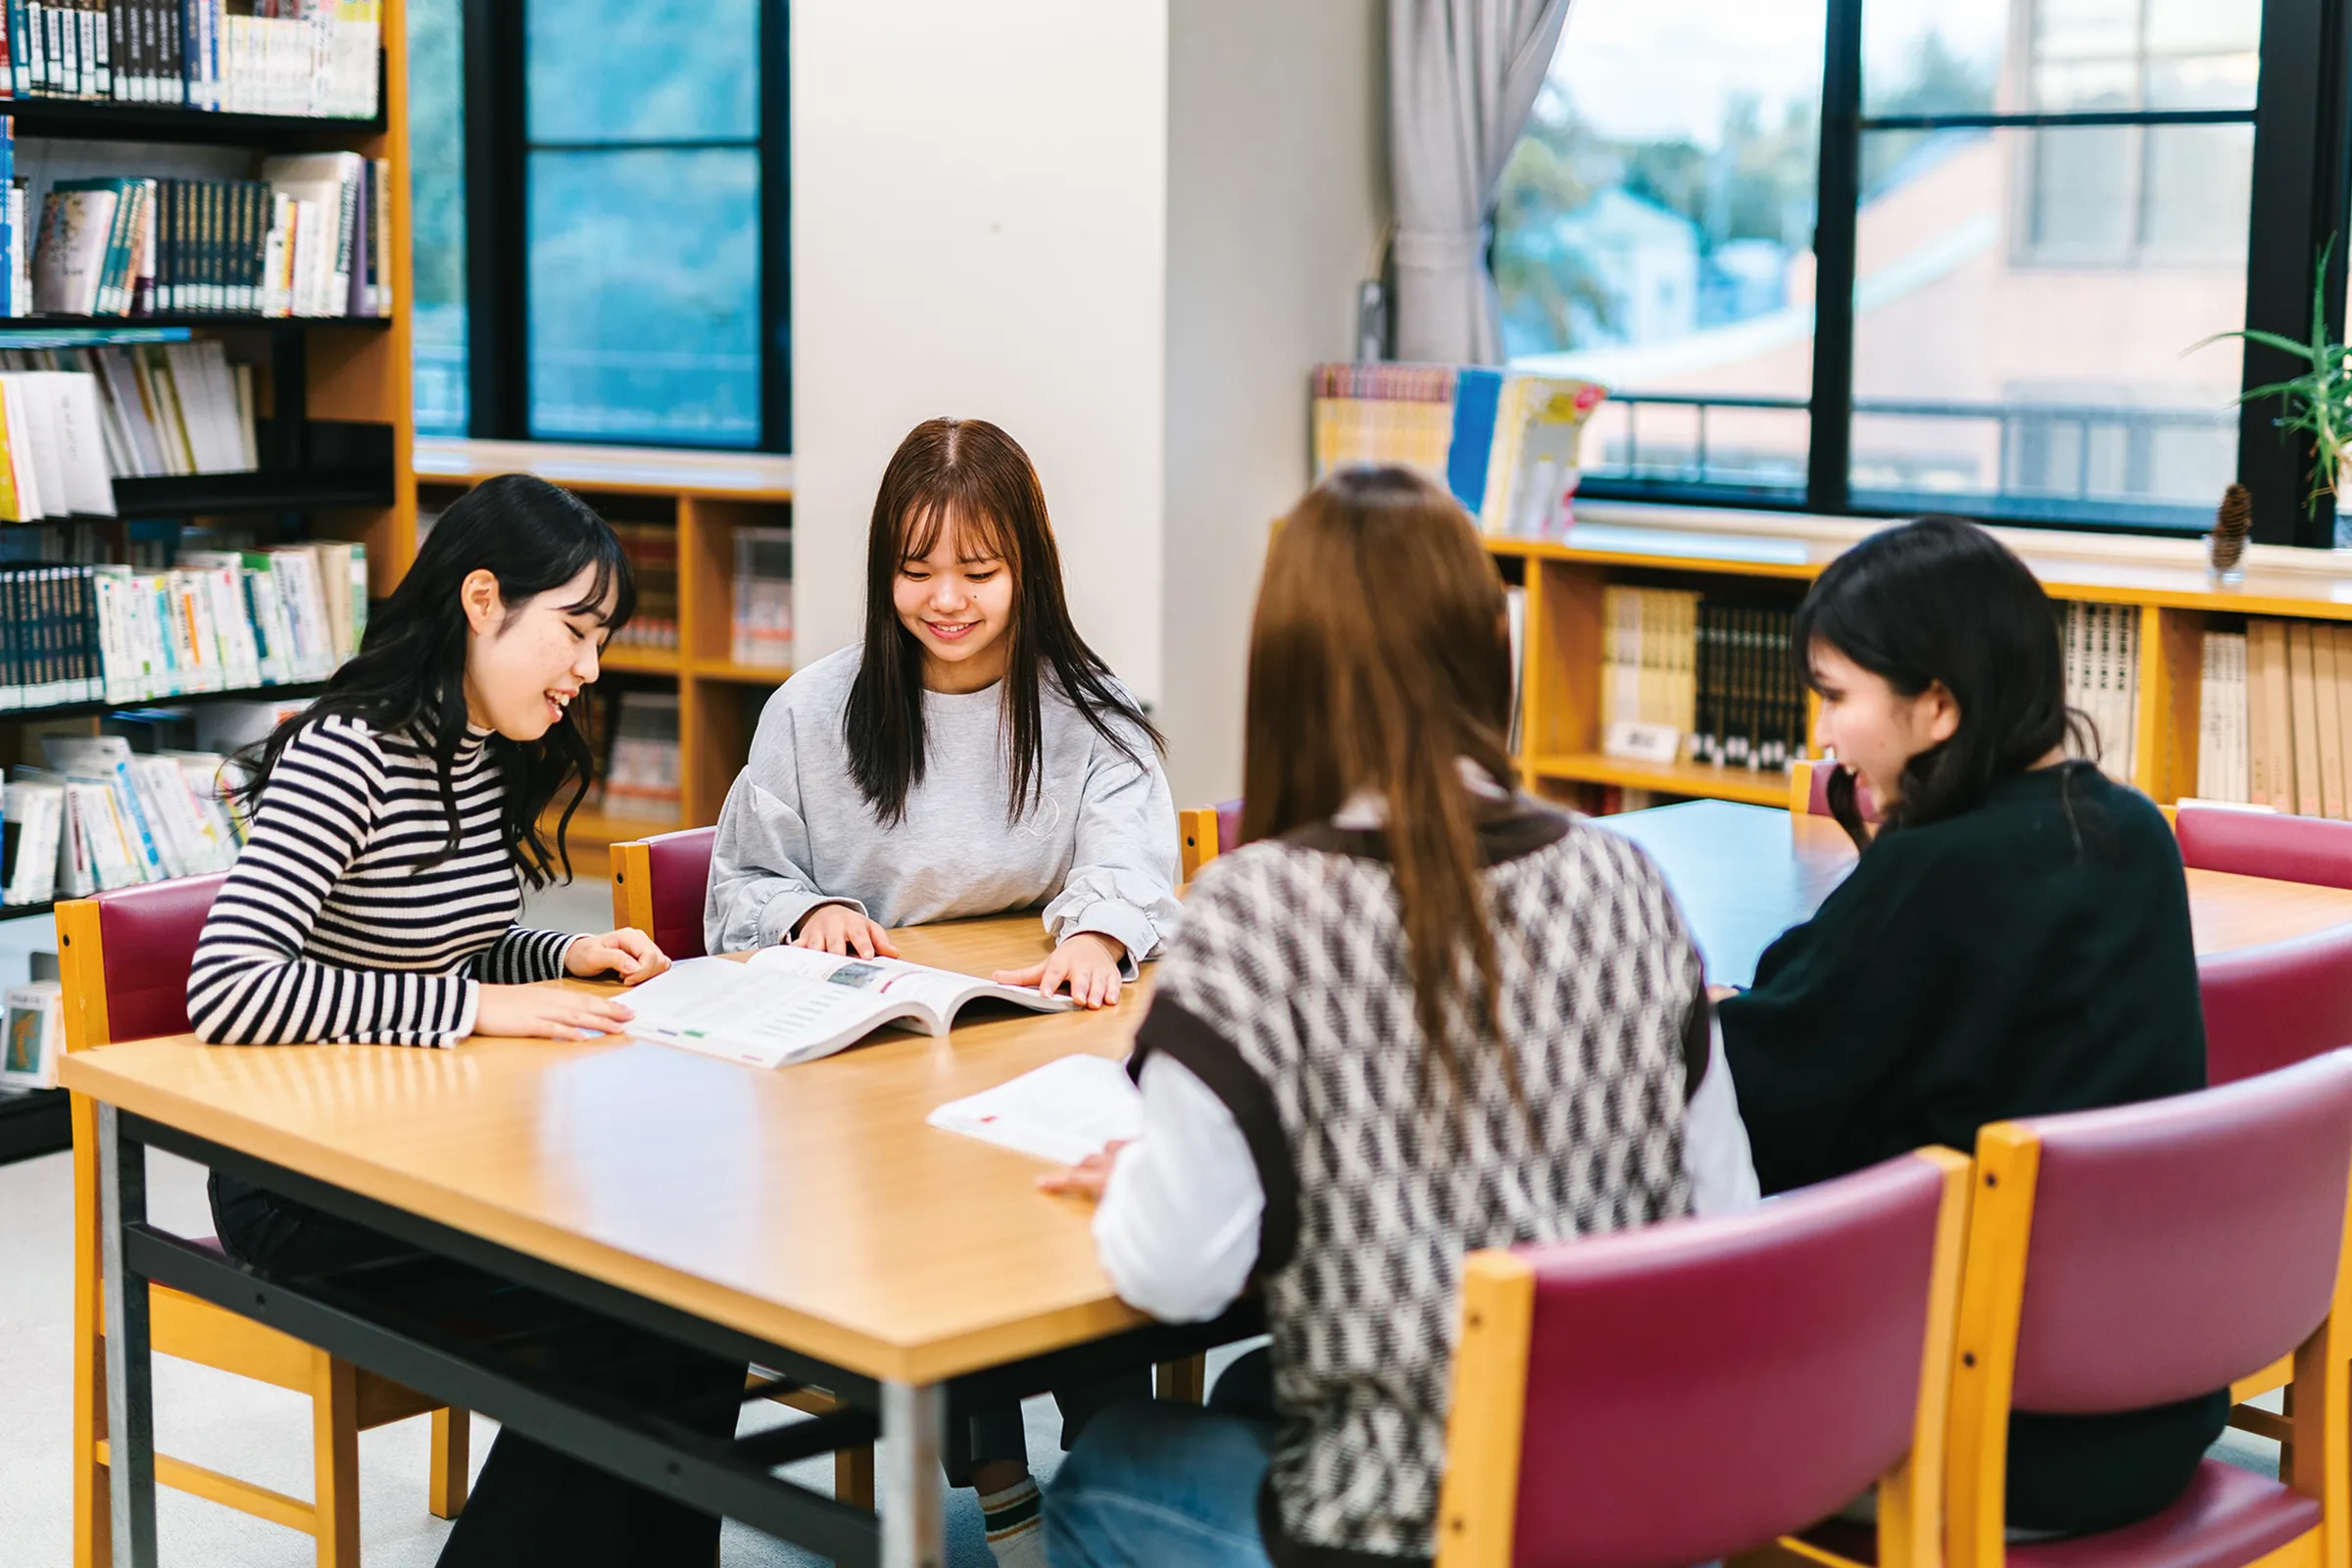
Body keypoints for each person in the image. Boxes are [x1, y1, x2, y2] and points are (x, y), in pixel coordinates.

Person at [1040, 466, 1756, 1568]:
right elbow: (1723, 1211)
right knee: (1248, 1388)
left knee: (1102, 1469)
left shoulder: (1259, 903)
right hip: (1642, 1504)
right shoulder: (1628, 878)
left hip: (1413, 1524)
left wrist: (1148, 1172)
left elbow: (1173, 1271)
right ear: (1488, 654)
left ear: (1288, 672)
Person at [186, 473, 742, 1568]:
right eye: (575, 632)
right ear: (482, 599)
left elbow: (431, 948)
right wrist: (485, 1003)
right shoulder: (349, 748)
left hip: (429, 1150)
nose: (590, 667)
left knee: (693, 1311)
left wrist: (561, 952)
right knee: (618, 1326)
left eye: (602, 639)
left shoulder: (476, 745)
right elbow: (232, 981)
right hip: (305, 1179)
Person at [704, 416, 1176, 1562]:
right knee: (933, 1206)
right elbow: (741, 883)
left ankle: (1115, 1457)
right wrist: (809, 911)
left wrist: (1101, 936)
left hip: (1032, 1042)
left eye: (978, 569)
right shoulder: (817, 711)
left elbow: (1132, 860)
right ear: (884, 573)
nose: (946, 599)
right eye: (917, 570)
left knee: (1073, 1192)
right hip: (863, 1071)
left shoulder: (1088, 709)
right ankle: (1002, 1479)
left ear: (1029, 566)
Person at [1716, 514, 2217, 1538]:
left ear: (1936, 706)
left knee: (1637, 1389)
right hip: (2155, 1412)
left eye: (1837, 697)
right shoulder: (2129, 833)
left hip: (1994, 1442)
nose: (1825, 735)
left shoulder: (1940, 878)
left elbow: (1761, 1108)